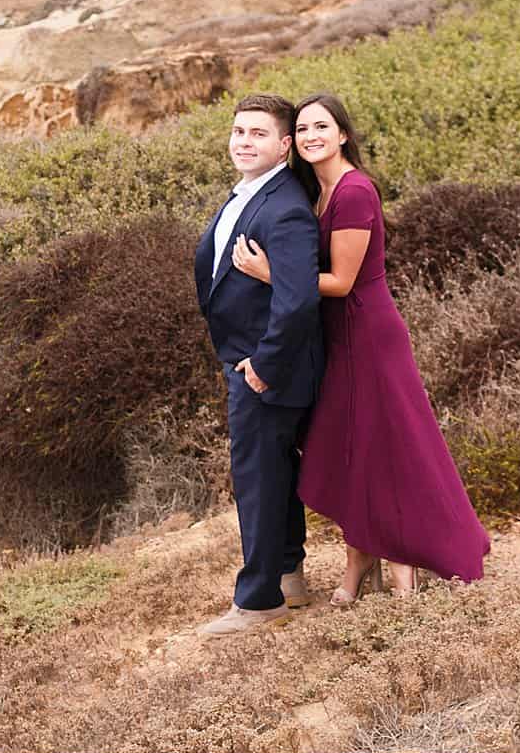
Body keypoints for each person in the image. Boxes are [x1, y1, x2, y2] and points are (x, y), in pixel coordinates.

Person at [232, 91, 489, 603]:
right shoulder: (316, 193)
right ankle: (367, 554)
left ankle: (408, 558)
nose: (311, 137)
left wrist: (271, 274)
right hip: (336, 335)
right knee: (352, 449)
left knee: (388, 446)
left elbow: (344, 281)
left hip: (366, 333)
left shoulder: (352, 192)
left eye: (321, 127)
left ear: (343, 134)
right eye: (302, 129)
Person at [192, 93, 325, 637]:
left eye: (258, 134)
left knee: (258, 481)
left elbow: (296, 300)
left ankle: (258, 601)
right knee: (275, 474)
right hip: (252, 360)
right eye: (238, 131)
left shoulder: (286, 207)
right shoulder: (253, 192)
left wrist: (264, 366)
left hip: (267, 366)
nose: (243, 142)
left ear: (284, 145)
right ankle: (289, 576)